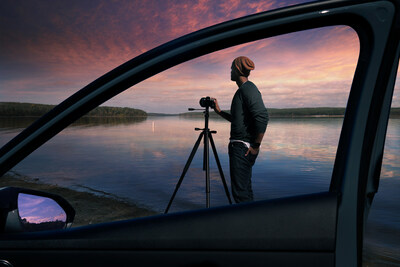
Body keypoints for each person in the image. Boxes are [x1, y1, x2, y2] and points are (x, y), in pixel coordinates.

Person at [212, 56, 269, 203]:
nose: (230, 71)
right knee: (244, 191)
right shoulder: (243, 90)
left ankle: (247, 224)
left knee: (240, 194)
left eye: (231, 68)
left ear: (237, 69)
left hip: (242, 147)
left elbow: (262, 117)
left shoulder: (248, 89)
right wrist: (218, 111)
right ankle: (251, 222)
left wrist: (256, 146)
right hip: (241, 146)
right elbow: (238, 120)